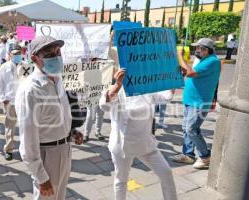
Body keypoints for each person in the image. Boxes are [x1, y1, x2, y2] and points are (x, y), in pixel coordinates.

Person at [15, 35, 83, 200]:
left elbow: (59, 114)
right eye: (50, 55)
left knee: (60, 196)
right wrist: (41, 176)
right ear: (35, 58)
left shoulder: (58, 79)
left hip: (64, 149)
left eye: (58, 52)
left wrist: (71, 131)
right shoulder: (30, 91)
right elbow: (28, 141)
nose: (57, 57)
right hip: (46, 156)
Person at [99, 69, 177, 200]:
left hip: (145, 144)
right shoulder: (118, 88)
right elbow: (104, 105)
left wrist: (173, 78)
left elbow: (166, 96)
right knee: (121, 180)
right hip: (122, 145)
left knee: (166, 173)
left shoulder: (148, 87)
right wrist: (118, 85)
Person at [172, 38, 221, 169]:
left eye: (198, 48)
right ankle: (188, 155)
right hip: (190, 100)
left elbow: (191, 73)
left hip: (199, 102)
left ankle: (205, 157)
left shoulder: (213, 61)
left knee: (192, 129)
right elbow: (191, 73)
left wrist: (180, 56)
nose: (196, 50)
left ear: (206, 50)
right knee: (186, 129)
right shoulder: (203, 60)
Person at [0, 44, 22, 161]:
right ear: (10, 54)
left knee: (25, 127)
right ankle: (9, 150)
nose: (17, 55)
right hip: (10, 101)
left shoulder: (26, 66)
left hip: (23, 101)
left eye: (19, 53)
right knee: (10, 127)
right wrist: (3, 98)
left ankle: (25, 149)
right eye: (15, 53)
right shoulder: (4, 67)